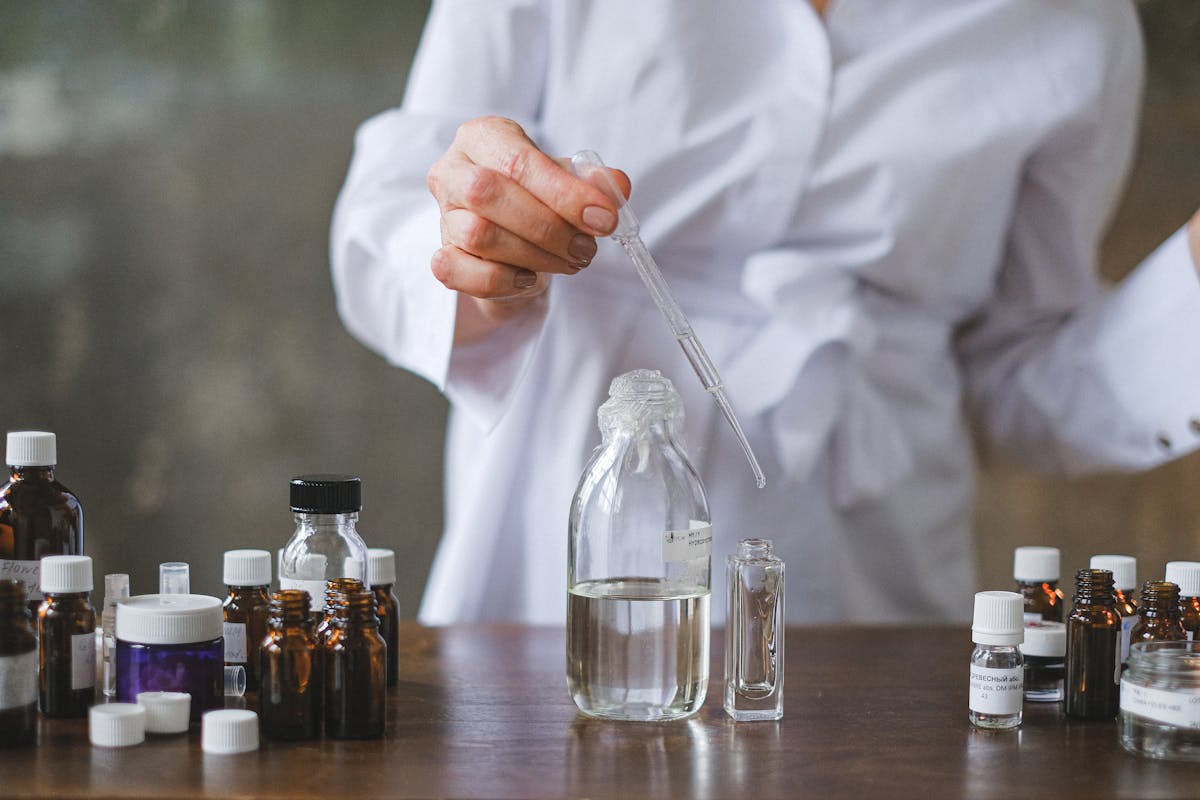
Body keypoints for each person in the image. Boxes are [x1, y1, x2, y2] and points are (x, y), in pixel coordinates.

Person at [331, 0, 1200, 625]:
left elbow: (1014, 375)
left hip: (870, 582)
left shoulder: (1075, 23)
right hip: (563, 549)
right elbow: (390, 219)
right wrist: (482, 254)